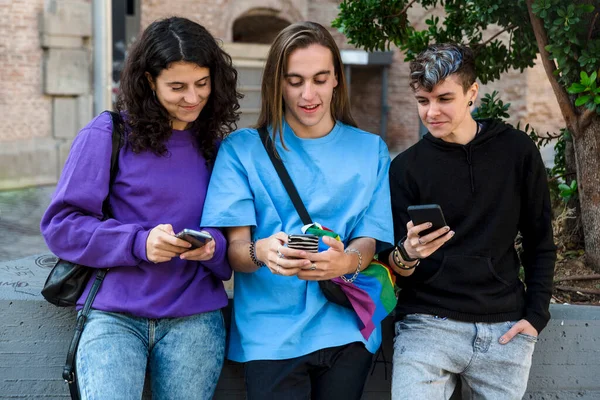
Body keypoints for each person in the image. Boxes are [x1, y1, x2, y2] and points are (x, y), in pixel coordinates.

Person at [40, 16, 240, 399]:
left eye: (202, 84)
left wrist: (211, 247)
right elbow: (61, 226)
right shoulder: (108, 134)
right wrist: (139, 242)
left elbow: (232, 247)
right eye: (177, 87)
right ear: (149, 81)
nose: (193, 98)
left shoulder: (216, 149)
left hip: (195, 321)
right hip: (114, 316)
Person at [200, 21, 393, 400]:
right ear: (277, 83)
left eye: (320, 79)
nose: (309, 94)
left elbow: (370, 236)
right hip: (270, 334)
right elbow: (235, 250)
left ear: (337, 79)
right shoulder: (241, 150)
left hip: (347, 326)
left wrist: (347, 261)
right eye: (295, 80)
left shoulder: (371, 150)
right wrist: (263, 251)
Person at [386, 43, 556, 399]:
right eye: (423, 101)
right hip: (427, 325)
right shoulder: (405, 168)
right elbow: (395, 267)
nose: (431, 112)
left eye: (444, 99)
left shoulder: (517, 151)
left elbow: (541, 240)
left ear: (472, 94)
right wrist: (408, 253)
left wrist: (536, 317)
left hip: (505, 329)